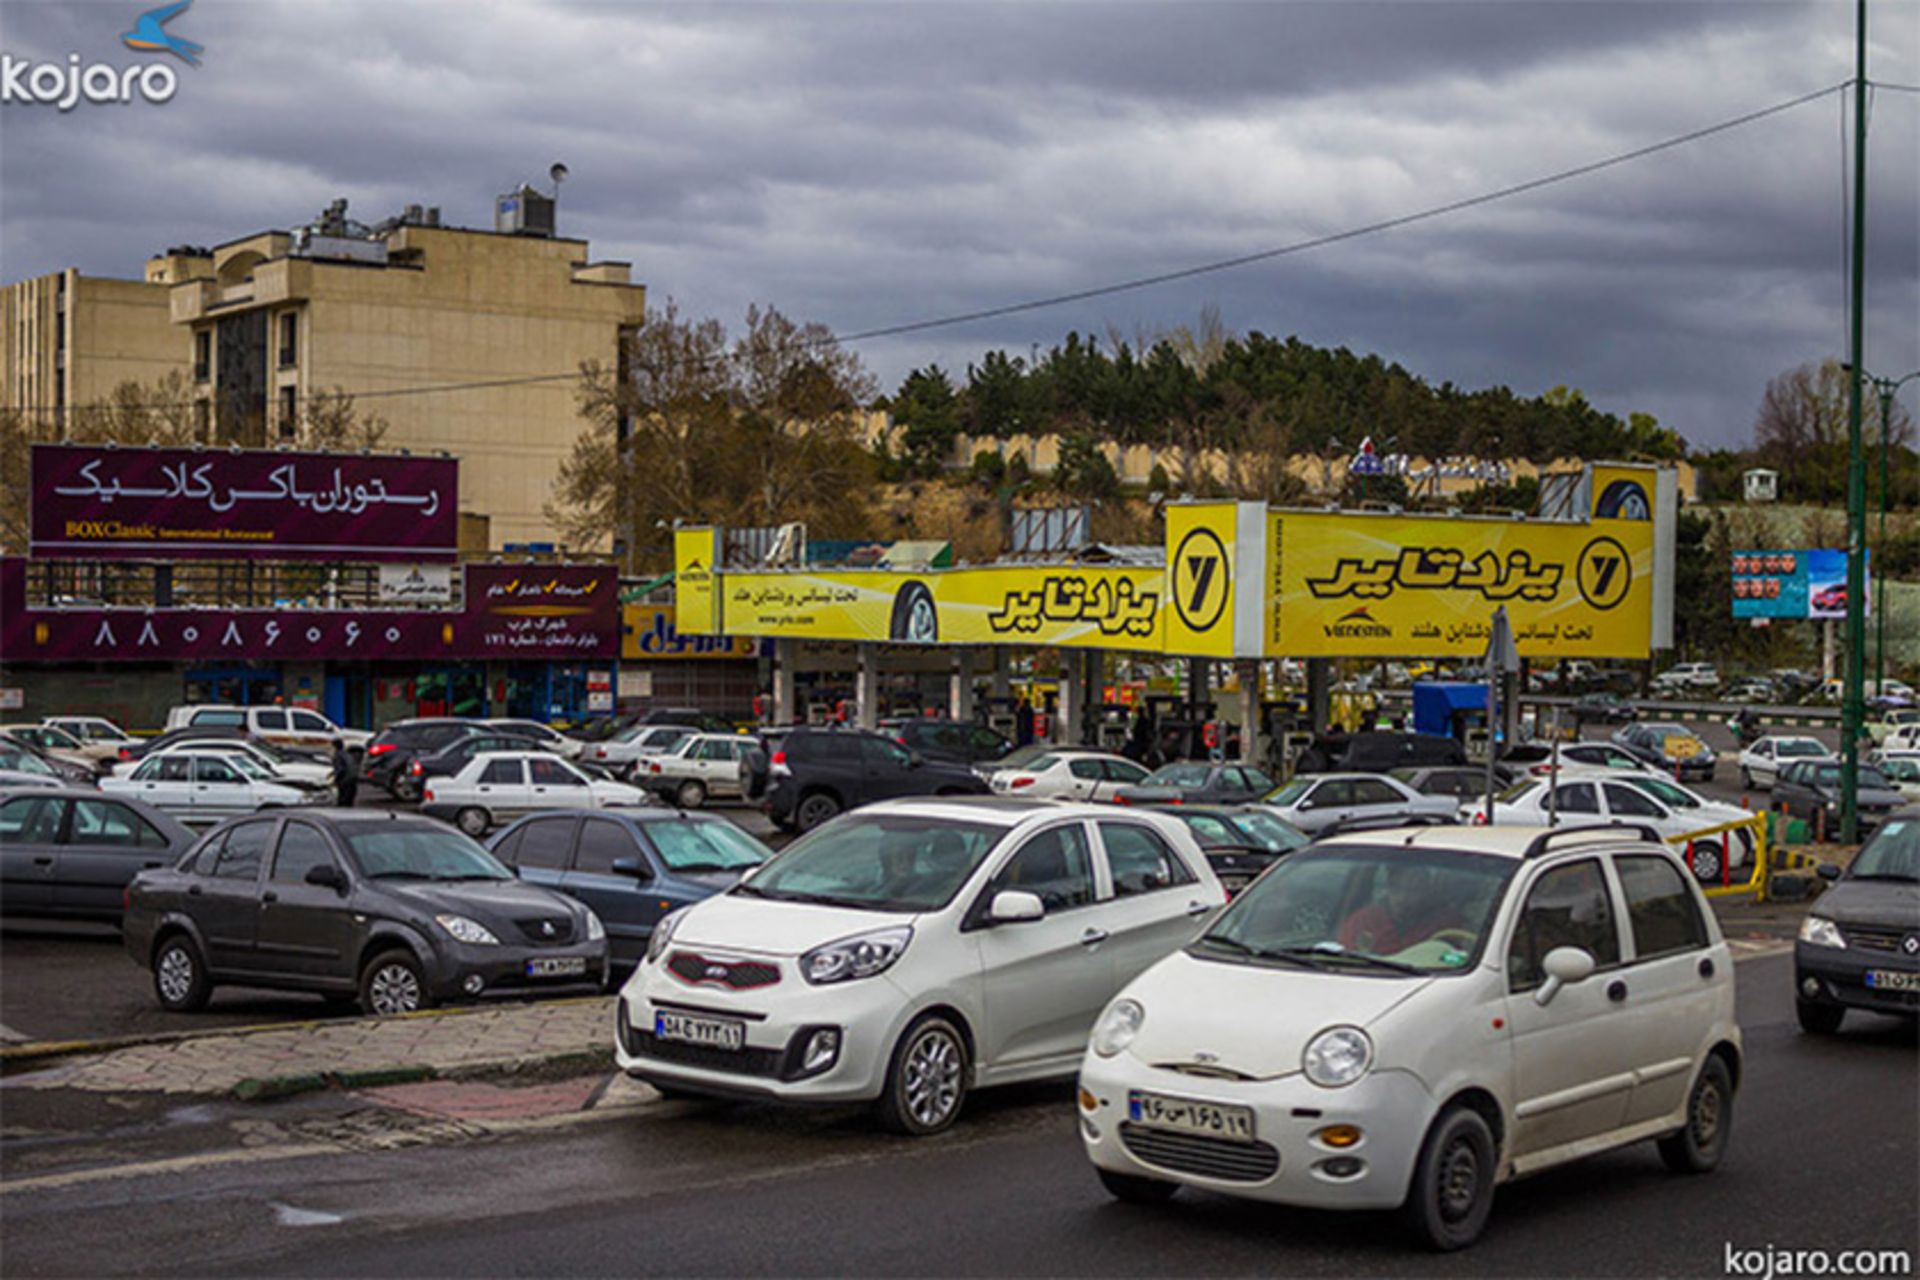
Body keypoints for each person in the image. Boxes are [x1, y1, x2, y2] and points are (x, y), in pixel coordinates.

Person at [1337, 864, 1467, 955]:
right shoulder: (1363, 922)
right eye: (1398, 889)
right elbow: (1345, 959)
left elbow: (1459, 957)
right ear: (1388, 888)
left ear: (1427, 891)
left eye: (1413, 890)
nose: (1404, 898)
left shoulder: (1446, 924)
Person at [331, 740, 358, 808]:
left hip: (345, 779)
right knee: (349, 799)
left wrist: (335, 779)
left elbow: (340, 769)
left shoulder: (338, 755)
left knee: (343, 798)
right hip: (353, 778)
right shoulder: (347, 754)